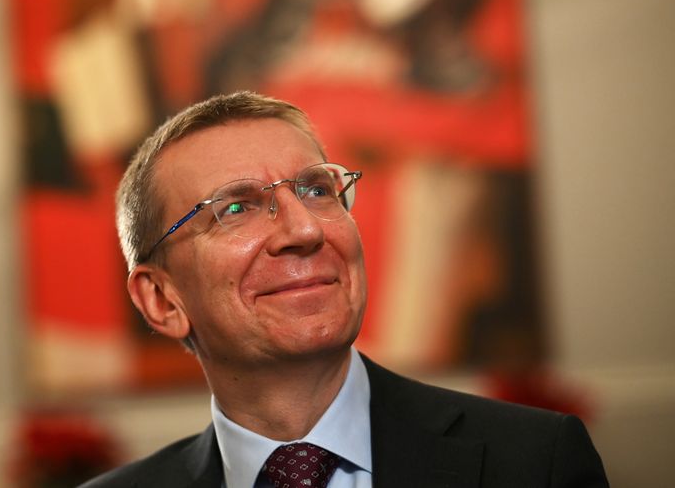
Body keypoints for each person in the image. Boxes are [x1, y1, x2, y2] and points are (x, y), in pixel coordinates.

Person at [82, 91, 608, 487]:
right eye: (235, 208)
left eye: (317, 190)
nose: (305, 230)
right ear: (161, 299)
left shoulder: (536, 462)